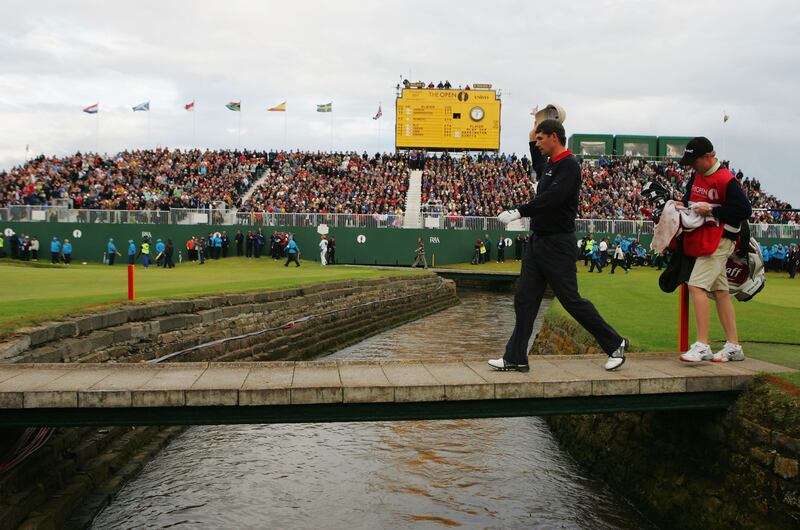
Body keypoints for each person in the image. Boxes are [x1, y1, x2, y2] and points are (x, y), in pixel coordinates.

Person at [490, 118, 628, 372]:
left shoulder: (570, 166)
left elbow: (553, 199)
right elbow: (534, 150)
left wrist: (520, 211)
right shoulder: (550, 164)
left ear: (554, 137)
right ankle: (516, 357)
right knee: (525, 299)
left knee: (571, 300)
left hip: (558, 243)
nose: (537, 143)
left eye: (541, 138)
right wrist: (538, 120)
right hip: (538, 241)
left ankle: (616, 343)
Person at [676, 137, 752, 364]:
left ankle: (702, 345)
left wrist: (712, 210)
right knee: (720, 292)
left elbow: (744, 210)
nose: (692, 166)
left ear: (709, 156)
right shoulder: (697, 174)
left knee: (696, 286)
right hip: (706, 237)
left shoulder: (726, 179)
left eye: (695, 161)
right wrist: (680, 205)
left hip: (721, 238)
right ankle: (733, 346)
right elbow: (688, 198)